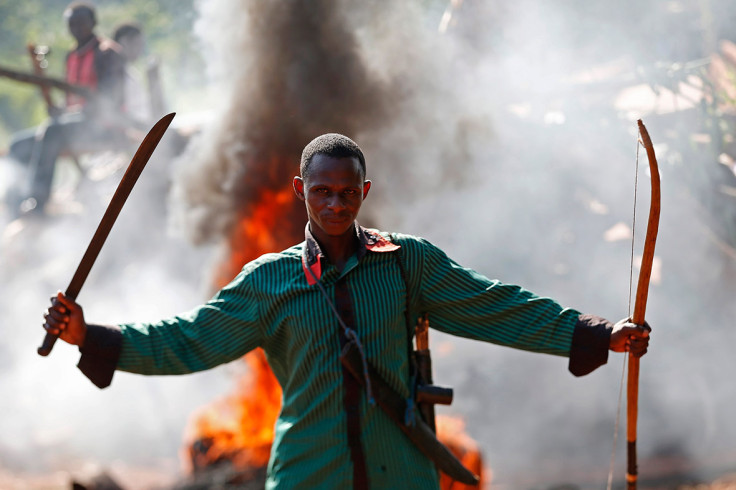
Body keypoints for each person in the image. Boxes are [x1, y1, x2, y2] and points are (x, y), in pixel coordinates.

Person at [43, 133, 651, 489]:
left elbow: (494, 305)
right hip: (309, 475)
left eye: (346, 192)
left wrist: (595, 333)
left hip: (402, 477)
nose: (334, 204)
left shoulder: (407, 264)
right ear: (300, 191)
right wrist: (87, 336)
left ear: (365, 191)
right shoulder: (269, 281)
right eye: (321, 191)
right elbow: (188, 340)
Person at [7, 2, 131, 215]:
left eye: (81, 23)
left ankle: (38, 201)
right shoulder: (71, 56)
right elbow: (71, 103)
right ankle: (15, 204)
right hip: (75, 126)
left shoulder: (106, 53)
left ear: (93, 23)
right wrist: (61, 111)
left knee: (52, 131)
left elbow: (111, 99)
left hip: (105, 127)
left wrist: (72, 113)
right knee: (18, 145)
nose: (76, 28)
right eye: (71, 24)